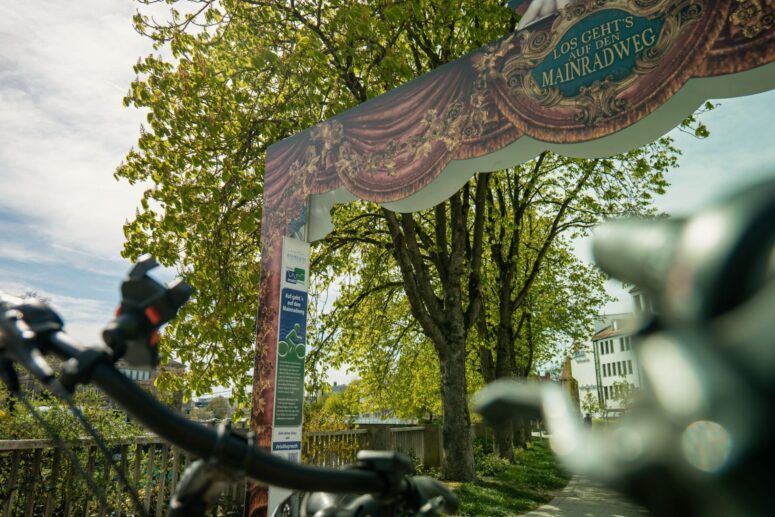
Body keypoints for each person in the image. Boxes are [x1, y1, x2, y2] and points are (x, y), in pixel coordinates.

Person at [509, 0, 575, 29]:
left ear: (524, 2)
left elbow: (521, 28)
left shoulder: (537, 3)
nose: (517, 11)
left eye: (517, 7)